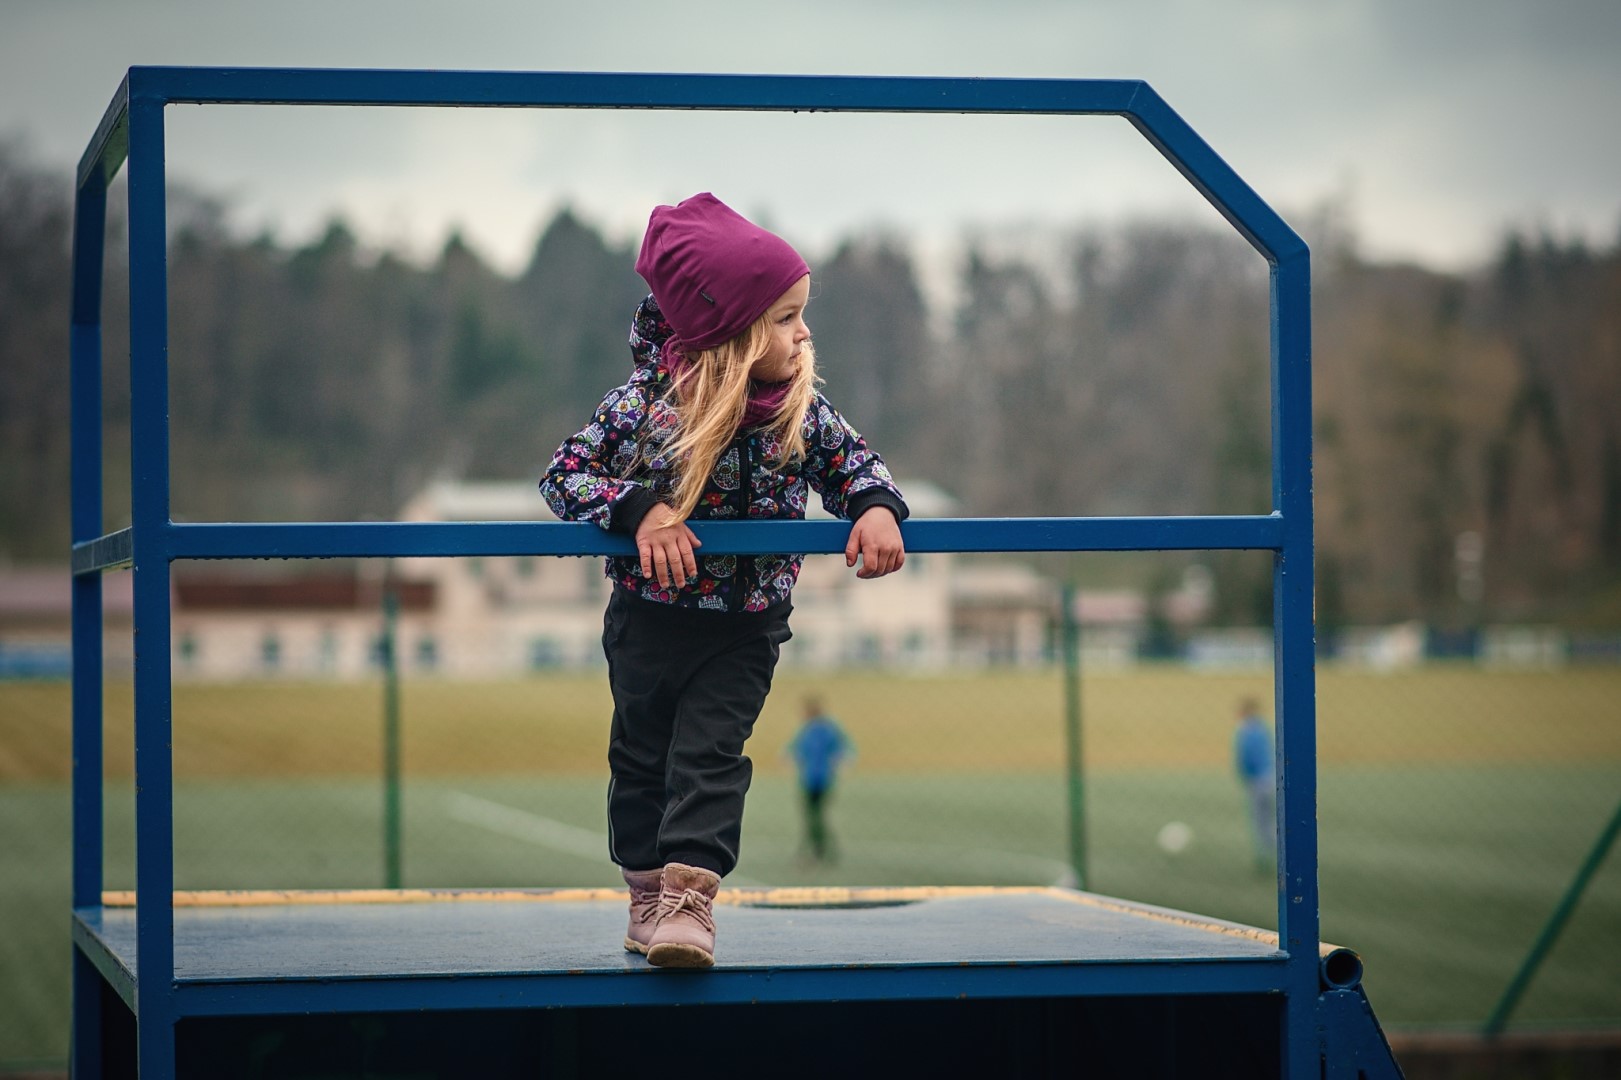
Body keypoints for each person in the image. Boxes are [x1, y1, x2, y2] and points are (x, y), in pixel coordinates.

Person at [539, 193, 908, 968]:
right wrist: (640, 511)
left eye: (802, 314)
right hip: (648, 617)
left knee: (709, 756)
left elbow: (854, 465)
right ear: (730, 332)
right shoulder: (647, 406)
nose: (804, 333)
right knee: (640, 758)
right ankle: (646, 894)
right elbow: (565, 474)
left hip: (745, 623)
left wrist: (874, 508)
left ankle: (689, 902)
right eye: (785, 318)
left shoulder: (799, 408)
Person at [786, 697, 854, 863]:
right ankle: (820, 849)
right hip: (814, 779)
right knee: (815, 816)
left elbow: (843, 749)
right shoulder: (815, 729)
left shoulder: (820, 730)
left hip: (819, 779)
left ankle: (819, 849)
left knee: (815, 816)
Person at [1233, 696, 1276, 871]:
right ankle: (1277, 853)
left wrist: (1245, 776)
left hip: (1258, 780)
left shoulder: (1246, 730)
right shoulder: (1262, 728)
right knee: (1270, 819)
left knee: (1261, 821)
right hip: (1272, 777)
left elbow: (1246, 758)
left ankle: (1266, 857)